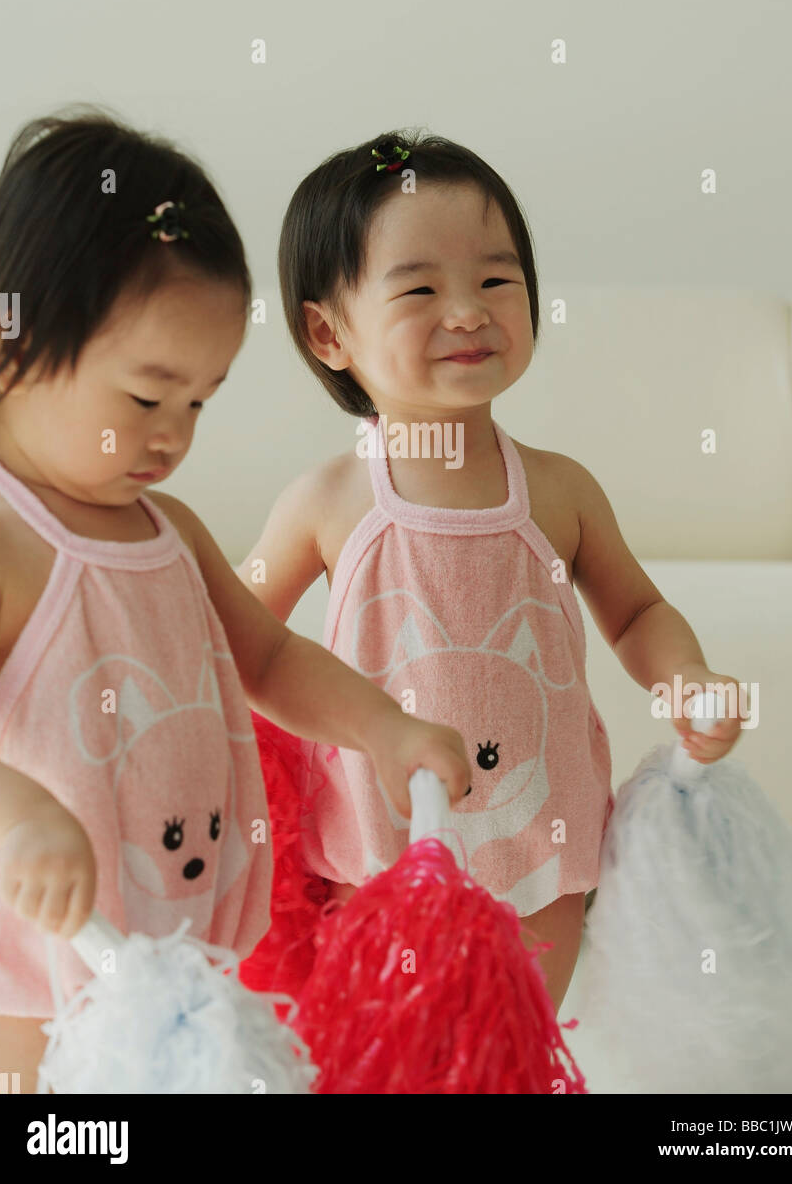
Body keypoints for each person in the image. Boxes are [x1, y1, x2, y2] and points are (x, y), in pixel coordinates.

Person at [0, 111, 470, 1093]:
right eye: (148, 396)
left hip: (180, 925)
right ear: (9, 346)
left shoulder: (170, 529)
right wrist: (15, 810)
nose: (172, 436)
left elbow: (270, 661)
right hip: (29, 954)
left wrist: (383, 727)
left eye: (199, 401)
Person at [237, 130, 744, 1013]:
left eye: (496, 281)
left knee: (511, 1053)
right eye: (422, 287)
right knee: (389, 1061)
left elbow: (635, 614)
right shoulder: (325, 502)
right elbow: (240, 645)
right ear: (329, 332)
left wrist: (685, 677)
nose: (468, 311)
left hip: (543, 861)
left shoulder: (557, 488)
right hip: (379, 862)